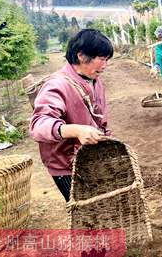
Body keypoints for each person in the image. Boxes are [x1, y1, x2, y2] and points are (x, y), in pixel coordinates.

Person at [30, 29, 113, 202]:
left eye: (107, 59)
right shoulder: (57, 85)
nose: (105, 65)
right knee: (85, 212)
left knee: (101, 206)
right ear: (81, 56)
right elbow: (38, 125)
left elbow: (100, 120)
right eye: (102, 59)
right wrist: (76, 130)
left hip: (90, 160)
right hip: (66, 166)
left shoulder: (95, 81)